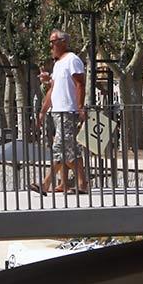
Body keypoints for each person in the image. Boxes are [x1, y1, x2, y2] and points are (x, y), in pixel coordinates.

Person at [31, 30, 89, 195]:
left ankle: (45, 183)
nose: (51, 45)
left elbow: (80, 84)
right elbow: (53, 89)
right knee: (69, 150)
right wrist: (43, 110)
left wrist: (80, 107)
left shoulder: (73, 60)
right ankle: (80, 183)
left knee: (60, 148)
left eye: (54, 41)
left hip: (68, 111)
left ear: (63, 42)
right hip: (58, 112)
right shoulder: (58, 64)